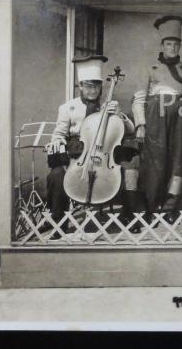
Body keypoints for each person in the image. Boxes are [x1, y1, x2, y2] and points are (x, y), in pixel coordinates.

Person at [45, 55, 136, 233]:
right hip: (77, 154)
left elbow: (130, 129)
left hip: (103, 153)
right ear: (80, 86)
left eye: (97, 86)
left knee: (126, 172)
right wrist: (57, 141)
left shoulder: (108, 105)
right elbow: (59, 133)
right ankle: (58, 222)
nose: (93, 91)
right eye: (88, 86)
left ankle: (128, 218)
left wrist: (119, 115)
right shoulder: (67, 108)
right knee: (56, 175)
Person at [132, 16, 182, 221]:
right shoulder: (149, 68)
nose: (172, 48)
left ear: (180, 46)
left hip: (179, 119)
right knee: (155, 162)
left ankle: (170, 207)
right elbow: (139, 98)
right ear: (162, 45)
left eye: (176, 44)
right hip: (154, 118)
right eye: (168, 44)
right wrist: (141, 124)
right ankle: (150, 207)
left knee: (177, 161)